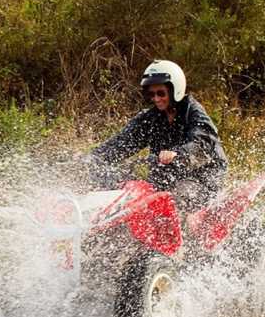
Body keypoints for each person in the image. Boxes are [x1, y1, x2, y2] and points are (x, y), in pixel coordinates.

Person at [89, 60, 227, 211]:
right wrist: (93, 158)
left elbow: (203, 144)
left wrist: (179, 153)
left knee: (176, 199)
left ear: (175, 90)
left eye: (161, 93)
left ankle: (190, 230)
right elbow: (120, 144)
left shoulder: (193, 113)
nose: (156, 99)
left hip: (201, 179)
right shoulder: (151, 118)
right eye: (152, 94)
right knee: (129, 191)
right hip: (166, 177)